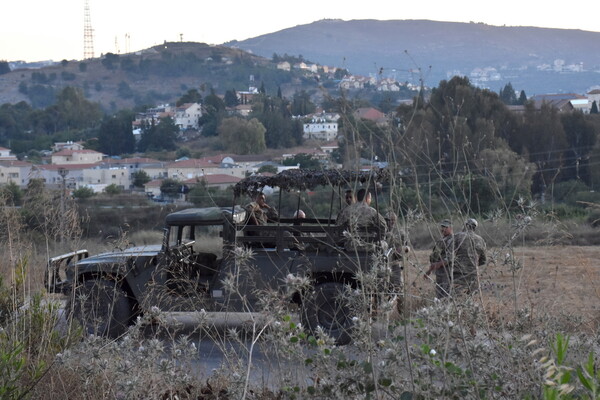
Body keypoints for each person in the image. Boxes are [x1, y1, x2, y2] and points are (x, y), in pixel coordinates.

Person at [452, 218, 487, 294]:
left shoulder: (457, 237)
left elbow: (449, 253)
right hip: (473, 273)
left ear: (466, 225)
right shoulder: (480, 240)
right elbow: (483, 260)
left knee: (457, 296)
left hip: (458, 273)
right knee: (472, 298)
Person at [424, 219, 454, 298]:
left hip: (447, 272)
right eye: (442, 227)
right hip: (439, 272)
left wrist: (438, 264)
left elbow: (449, 258)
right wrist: (429, 270)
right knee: (439, 295)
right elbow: (436, 257)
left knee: (445, 295)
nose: (443, 229)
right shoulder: (441, 240)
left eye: (445, 227)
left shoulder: (452, 240)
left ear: (451, 228)